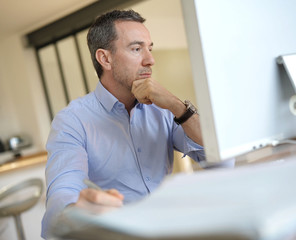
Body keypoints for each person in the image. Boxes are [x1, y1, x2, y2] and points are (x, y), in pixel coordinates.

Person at [41, 9, 206, 238]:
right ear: (105, 59)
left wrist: (178, 106)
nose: (150, 60)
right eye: (137, 49)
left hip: (173, 228)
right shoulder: (72, 121)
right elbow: (62, 193)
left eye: (150, 48)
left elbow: (217, 161)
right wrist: (74, 212)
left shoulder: (163, 108)